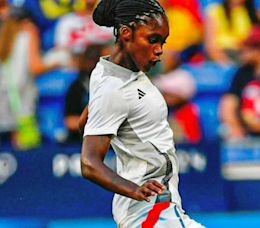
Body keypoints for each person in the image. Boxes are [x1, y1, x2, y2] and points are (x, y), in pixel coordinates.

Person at [79, 0, 204, 227]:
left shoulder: (106, 71)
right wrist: (134, 189)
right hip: (152, 209)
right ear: (126, 34)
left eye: (162, 42)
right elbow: (89, 163)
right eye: (152, 40)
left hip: (156, 207)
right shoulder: (114, 87)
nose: (159, 50)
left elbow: (85, 124)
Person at [0, 6, 60, 149]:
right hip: (22, 95)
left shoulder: (4, 38)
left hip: (4, 94)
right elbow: (36, 67)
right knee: (24, 144)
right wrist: (58, 63)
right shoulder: (29, 35)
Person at [64, 44, 109, 144]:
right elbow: (70, 121)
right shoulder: (77, 87)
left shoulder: (114, 86)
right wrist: (98, 127)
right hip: (80, 143)